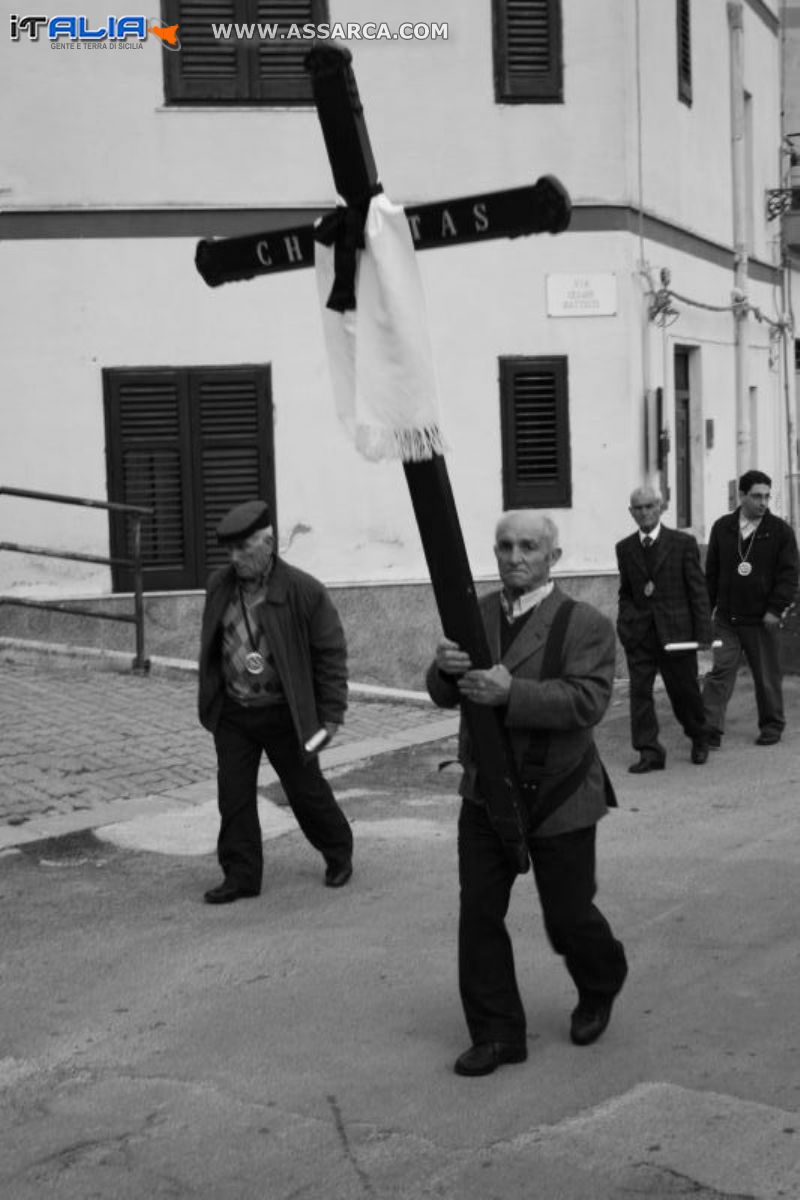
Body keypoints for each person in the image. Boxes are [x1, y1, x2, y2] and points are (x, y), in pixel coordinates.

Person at [426, 510, 627, 1077]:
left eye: (530, 548)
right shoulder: (475, 614)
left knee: (567, 917)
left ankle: (601, 979)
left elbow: (587, 701)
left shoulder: (585, 623)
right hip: (486, 790)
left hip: (560, 792)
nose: (515, 557)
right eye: (506, 546)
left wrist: (513, 694)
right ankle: (497, 1034)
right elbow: (445, 691)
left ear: (553, 557)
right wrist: (443, 672)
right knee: (479, 914)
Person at [197, 499, 353, 904]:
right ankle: (241, 875)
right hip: (234, 712)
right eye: (229, 550)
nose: (235, 558)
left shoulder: (303, 590)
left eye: (243, 549)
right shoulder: (220, 585)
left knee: (306, 792)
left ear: (268, 543)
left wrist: (331, 716)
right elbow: (213, 643)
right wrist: (212, 698)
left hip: (288, 715)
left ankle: (338, 852)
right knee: (233, 798)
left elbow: (330, 655)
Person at [615, 485, 713, 772]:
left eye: (649, 506)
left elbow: (697, 590)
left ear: (660, 508)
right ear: (631, 512)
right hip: (640, 635)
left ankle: (699, 736)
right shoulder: (625, 548)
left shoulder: (682, 543)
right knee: (640, 694)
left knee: (684, 692)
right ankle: (649, 751)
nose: (644, 512)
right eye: (638, 508)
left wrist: (703, 633)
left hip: (676, 634)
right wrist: (625, 623)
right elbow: (627, 591)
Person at [702, 470, 799, 747]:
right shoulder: (723, 528)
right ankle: (709, 728)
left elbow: (790, 576)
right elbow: (712, 574)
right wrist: (705, 612)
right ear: (741, 496)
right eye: (757, 496)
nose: (763, 502)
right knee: (721, 671)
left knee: (766, 675)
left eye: (767, 496)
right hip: (727, 618)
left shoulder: (780, 532)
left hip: (761, 619)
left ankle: (771, 725)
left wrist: (775, 609)